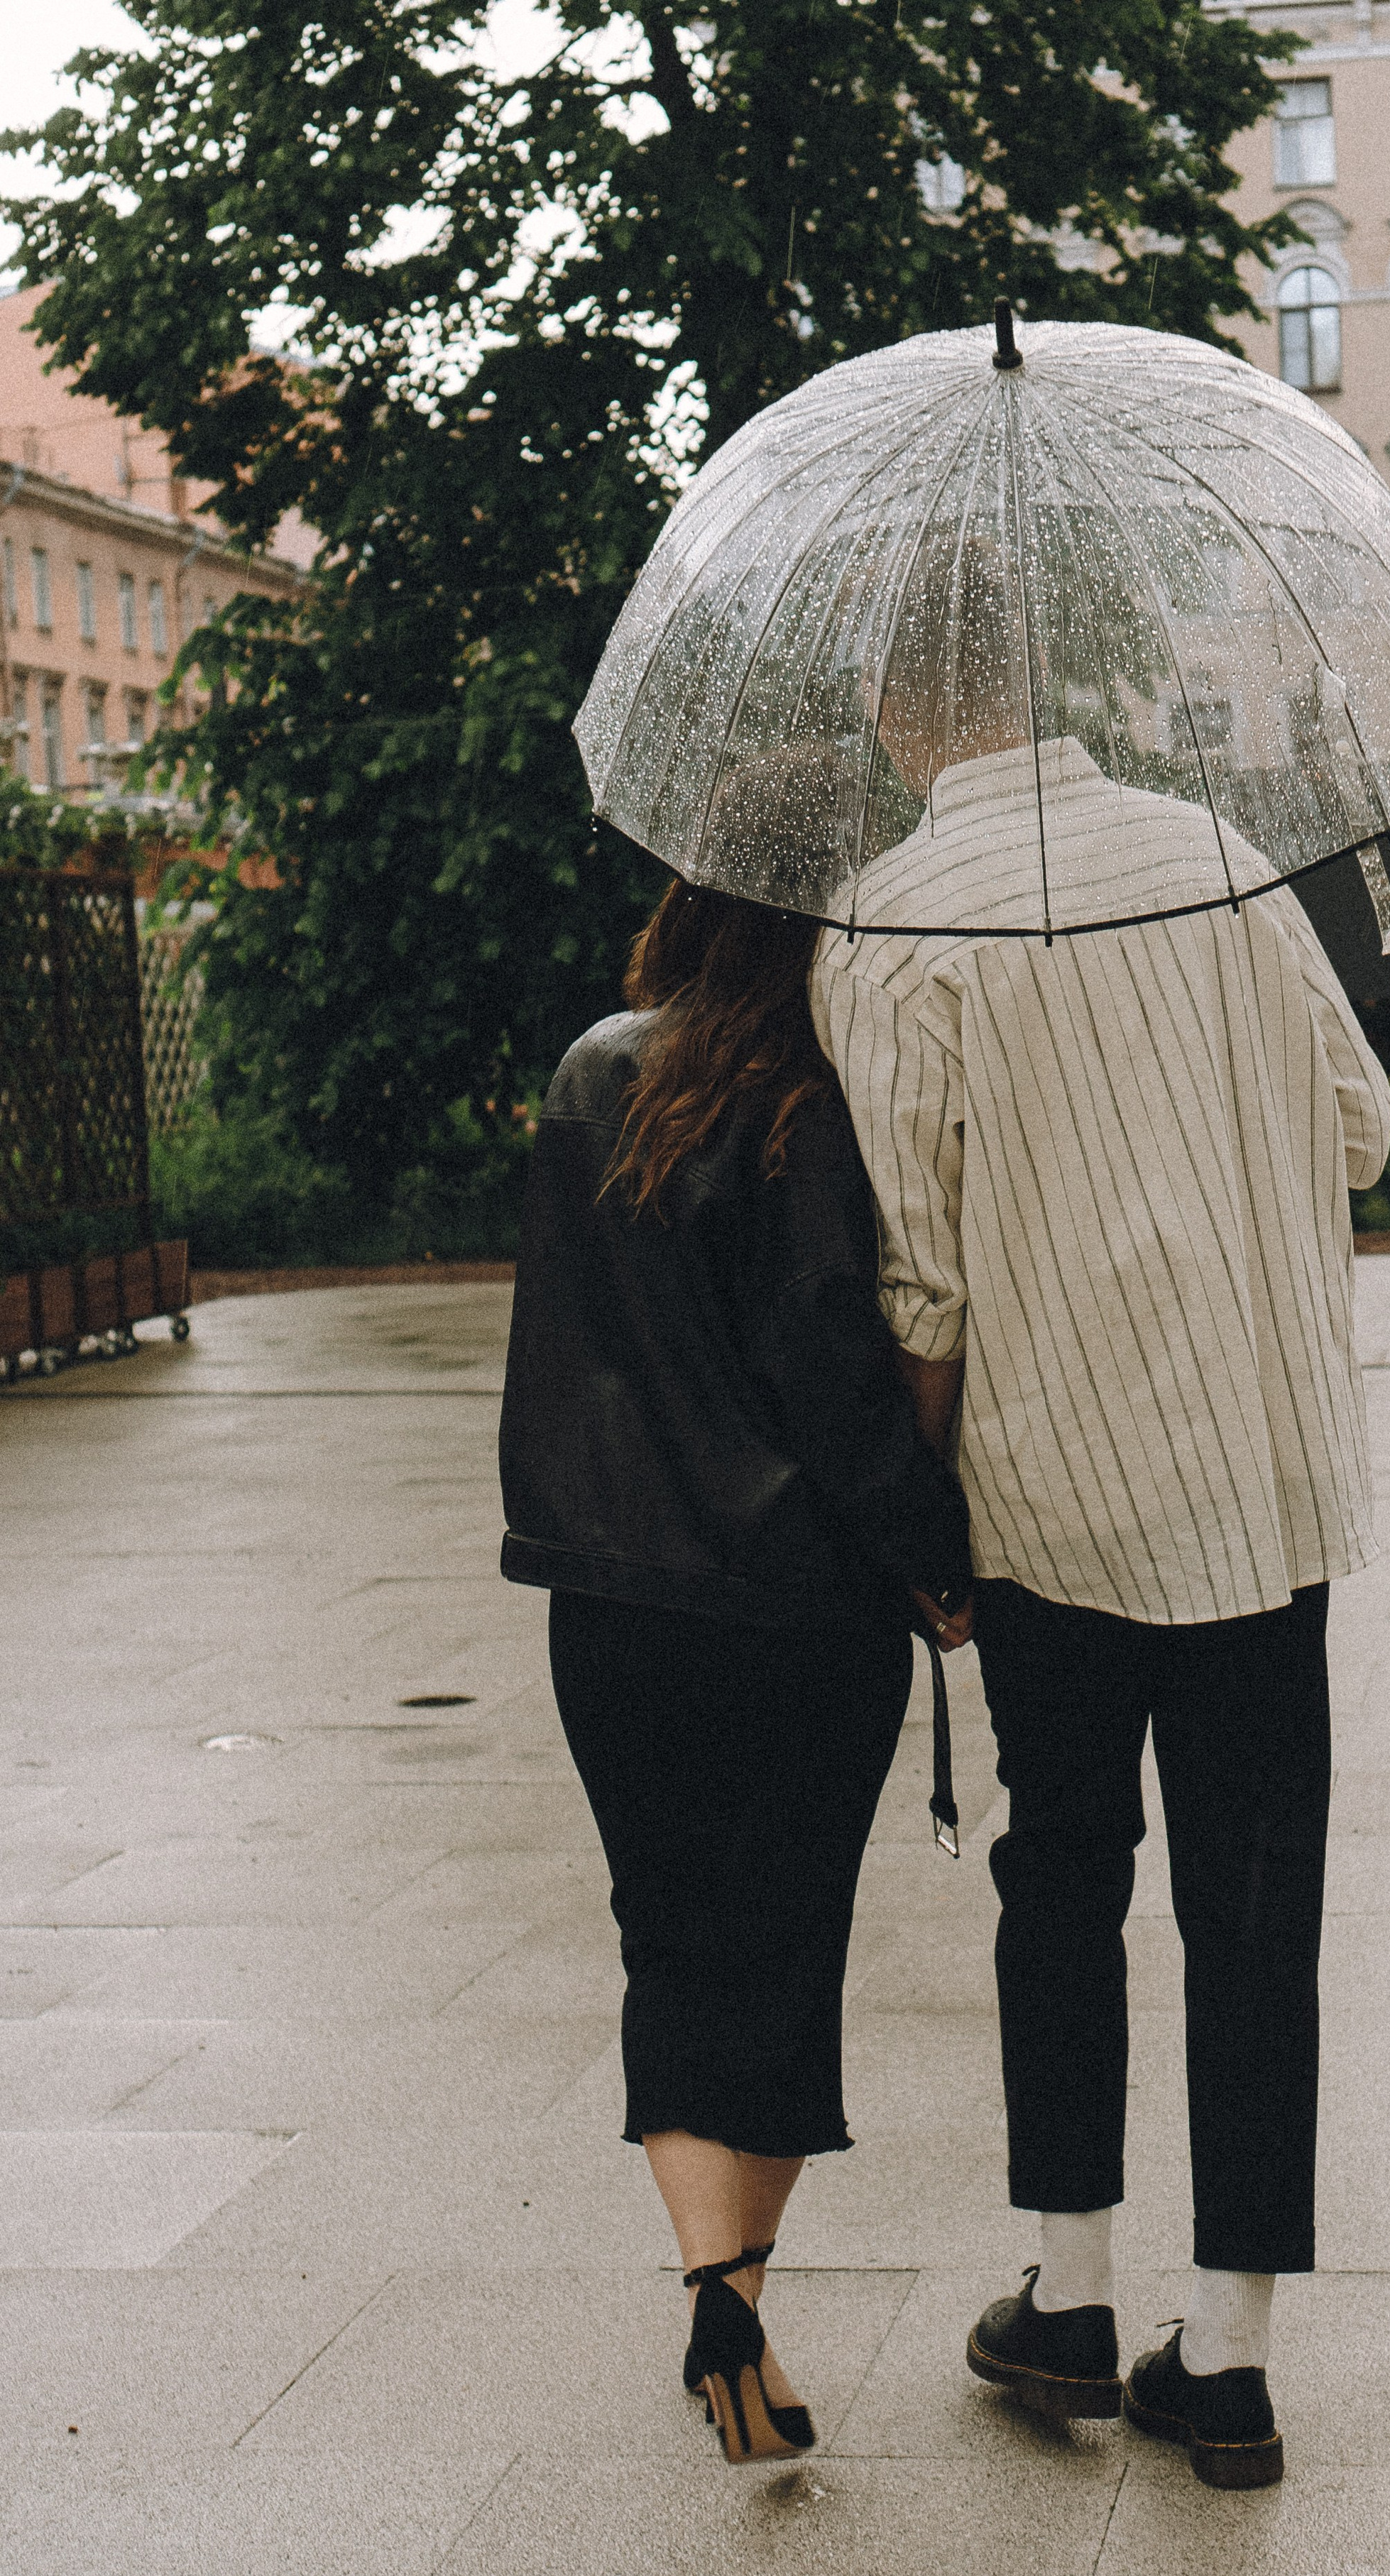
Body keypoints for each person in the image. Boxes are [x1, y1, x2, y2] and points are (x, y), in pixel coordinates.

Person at [811, 543, 1390, 2493]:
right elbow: (1363, 1124)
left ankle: (1065, 2292)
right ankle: (1224, 2360)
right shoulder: (1222, 854)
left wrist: (925, 1524)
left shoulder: (890, 922)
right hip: (1261, 1474)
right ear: (1051, 677)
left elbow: (921, 1280)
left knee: (1060, 1878)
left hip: (1048, 1499)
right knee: (1254, 1903)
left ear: (905, 711)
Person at [498, 877, 974, 2466]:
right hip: (795, 1617)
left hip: (610, 1602)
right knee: (779, 1944)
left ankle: (712, 2285)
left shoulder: (585, 1077)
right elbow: (834, 1371)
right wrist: (934, 1554)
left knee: (671, 1935)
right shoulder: (803, 1109)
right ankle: (738, 2298)